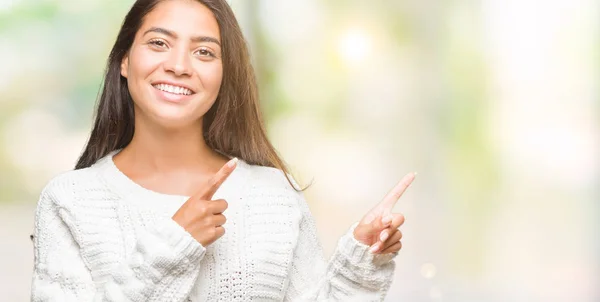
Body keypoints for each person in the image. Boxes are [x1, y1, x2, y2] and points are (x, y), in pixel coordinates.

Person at [30, 0, 416, 301]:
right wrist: (174, 247)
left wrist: (360, 265)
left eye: (204, 52)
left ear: (223, 75)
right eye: (159, 43)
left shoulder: (272, 196)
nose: (179, 66)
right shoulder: (70, 201)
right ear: (125, 61)